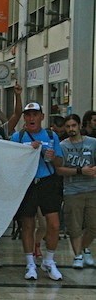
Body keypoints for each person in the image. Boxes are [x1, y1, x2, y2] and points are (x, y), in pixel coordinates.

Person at [11, 102, 63, 281]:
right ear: (24, 118)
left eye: (35, 114)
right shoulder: (18, 137)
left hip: (47, 181)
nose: (31, 118)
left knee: (54, 224)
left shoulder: (51, 135)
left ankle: (49, 260)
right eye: (28, 115)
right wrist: (27, 150)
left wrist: (52, 157)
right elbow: (11, 162)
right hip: (27, 183)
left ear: (41, 116)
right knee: (28, 224)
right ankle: (30, 263)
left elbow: (60, 163)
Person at [56, 114, 96, 269]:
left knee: (93, 226)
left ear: (79, 125)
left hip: (92, 189)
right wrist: (80, 171)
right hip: (72, 191)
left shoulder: (92, 143)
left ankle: (84, 249)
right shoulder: (62, 146)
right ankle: (78, 255)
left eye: (73, 126)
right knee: (75, 226)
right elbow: (59, 169)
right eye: (68, 126)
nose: (71, 129)